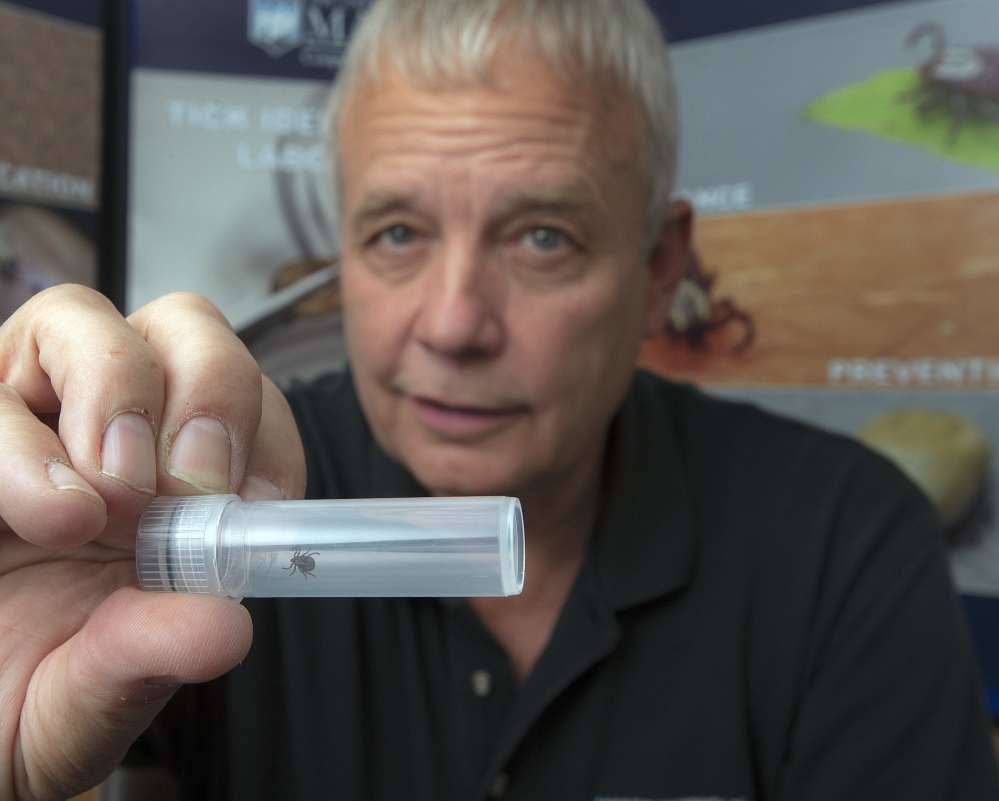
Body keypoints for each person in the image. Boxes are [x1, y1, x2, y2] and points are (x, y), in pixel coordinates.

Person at [1, 0, 997, 799]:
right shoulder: (209, 509)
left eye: (543, 237)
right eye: (397, 234)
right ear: (340, 249)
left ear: (660, 266)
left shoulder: (844, 542)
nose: (453, 325)